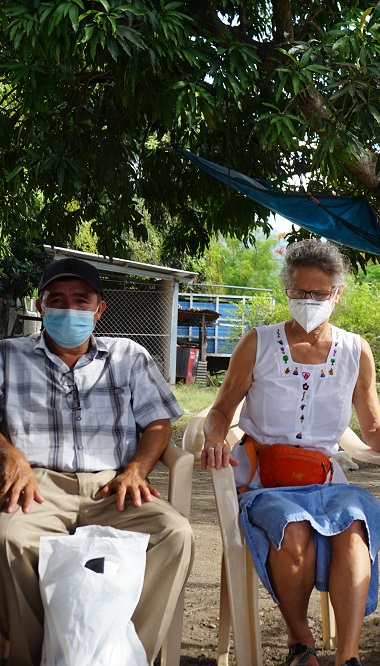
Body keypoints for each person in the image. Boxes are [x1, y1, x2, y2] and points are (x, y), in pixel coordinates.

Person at [201, 239, 380, 666]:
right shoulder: (259, 343)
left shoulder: (354, 350)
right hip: (263, 482)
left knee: (353, 531)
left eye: (318, 294)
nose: (308, 301)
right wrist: (216, 437)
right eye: (299, 292)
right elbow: (220, 411)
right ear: (287, 291)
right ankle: (301, 644)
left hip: (325, 483)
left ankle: (348, 657)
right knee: (292, 532)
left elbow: (373, 428)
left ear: (337, 295)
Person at [0, 257, 195, 665]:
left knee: (174, 534)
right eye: (57, 300)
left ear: (99, 309)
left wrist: (136, 469)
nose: (69, 310)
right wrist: (10, 453)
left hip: (113, 486)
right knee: (8, 540)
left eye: (81, 300)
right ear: (40, 306)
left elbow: (158, 423)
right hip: (38, 485)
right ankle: (32, 656)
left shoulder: (129, 356)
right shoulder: (7, 355)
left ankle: (125, 654)